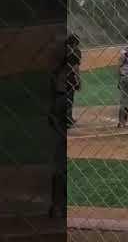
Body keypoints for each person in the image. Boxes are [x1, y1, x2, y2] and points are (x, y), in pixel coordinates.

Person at [48, 33, 81, 218]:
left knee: (59, 159)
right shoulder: (72, 54)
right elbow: (74, 69)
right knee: (62, 162)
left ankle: (57, 205)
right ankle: (61, 205)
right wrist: (77, 80)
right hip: (63, 95)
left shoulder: (54, 62)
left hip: (57, 98)